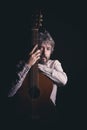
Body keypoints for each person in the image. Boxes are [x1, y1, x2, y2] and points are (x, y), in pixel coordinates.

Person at [8, 30, 68, 122]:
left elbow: (63, 81)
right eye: (41, 48)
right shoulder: (24, 64)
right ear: (35, 49)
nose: (44, 52)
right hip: (24, 114)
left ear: (51, 51)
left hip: (48, 113)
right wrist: (28, 65)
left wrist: (37, 66)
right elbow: (10, 93)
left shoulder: (54, 64)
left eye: (48, 48)